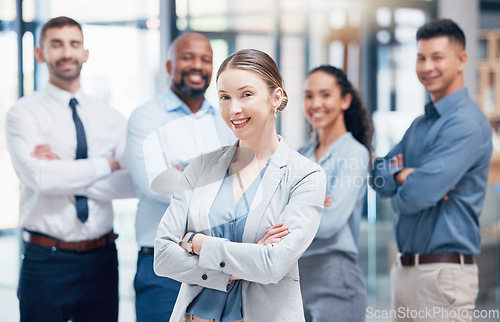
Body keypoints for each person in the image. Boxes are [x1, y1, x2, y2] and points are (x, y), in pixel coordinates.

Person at [153, 48, 326, 322]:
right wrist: (241, 264)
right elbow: (163, 256)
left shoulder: (305, 175)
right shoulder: (199, 169)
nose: (234, 109)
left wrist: (198, 243)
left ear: (276, 97)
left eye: (246, 94)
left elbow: (273, 264)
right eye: (224, 97)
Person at [5, 16, 135, 322]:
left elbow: (130, 183)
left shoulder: (111, 117)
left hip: (103, 257)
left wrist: (62, 173)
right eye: (57, 44)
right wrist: (108, 164)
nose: (66, 52)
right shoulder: (23, 113)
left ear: (85, 53)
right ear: (40, 53)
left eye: (74, 44)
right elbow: (39, 177)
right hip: (46, 259)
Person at [370, 18, 492, 322]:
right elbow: (377, 175)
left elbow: (415, 196)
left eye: (437, 57)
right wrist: (401, 175)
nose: (427, 66)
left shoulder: (465, 123)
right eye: (421, 57)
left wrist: (406, 188)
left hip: (443, 276)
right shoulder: (420, 125)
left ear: (461, 60)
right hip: (407, 272)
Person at [126, 32, 235, 321]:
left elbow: (245, 181)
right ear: (169, 65)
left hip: (219, 260)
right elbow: (156, 185)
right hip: (163, 264)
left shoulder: (227, 119)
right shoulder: (146, 118)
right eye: (187, 57)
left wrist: (184, 172)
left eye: (205, 59)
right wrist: (220, 178)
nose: (197, 65)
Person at [298, 65, 372, 322]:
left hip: (335, 276)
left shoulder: (354, 153)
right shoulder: (300, 156)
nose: (316, 103)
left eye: (325, 95)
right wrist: (312, 205)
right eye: (309, 96)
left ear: (345, 100)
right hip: (294, 278)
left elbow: (329, 223)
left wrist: (293, 207)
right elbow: (268, 213)